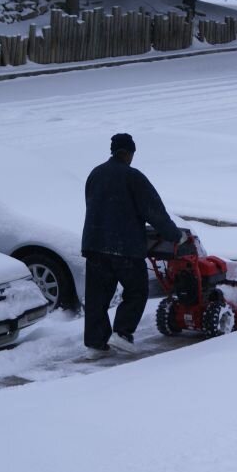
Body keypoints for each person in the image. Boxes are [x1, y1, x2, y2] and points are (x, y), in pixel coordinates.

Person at [81, 133, 182, 359]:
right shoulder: (132, 177)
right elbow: (154, 212)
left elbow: (93, 205)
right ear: (128, 153)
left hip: (95, 244)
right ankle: (122, 334)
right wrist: (174, 235)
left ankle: (96, 344)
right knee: (137, 291)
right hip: (124, 247)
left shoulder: (95, 174)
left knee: (97, 295)